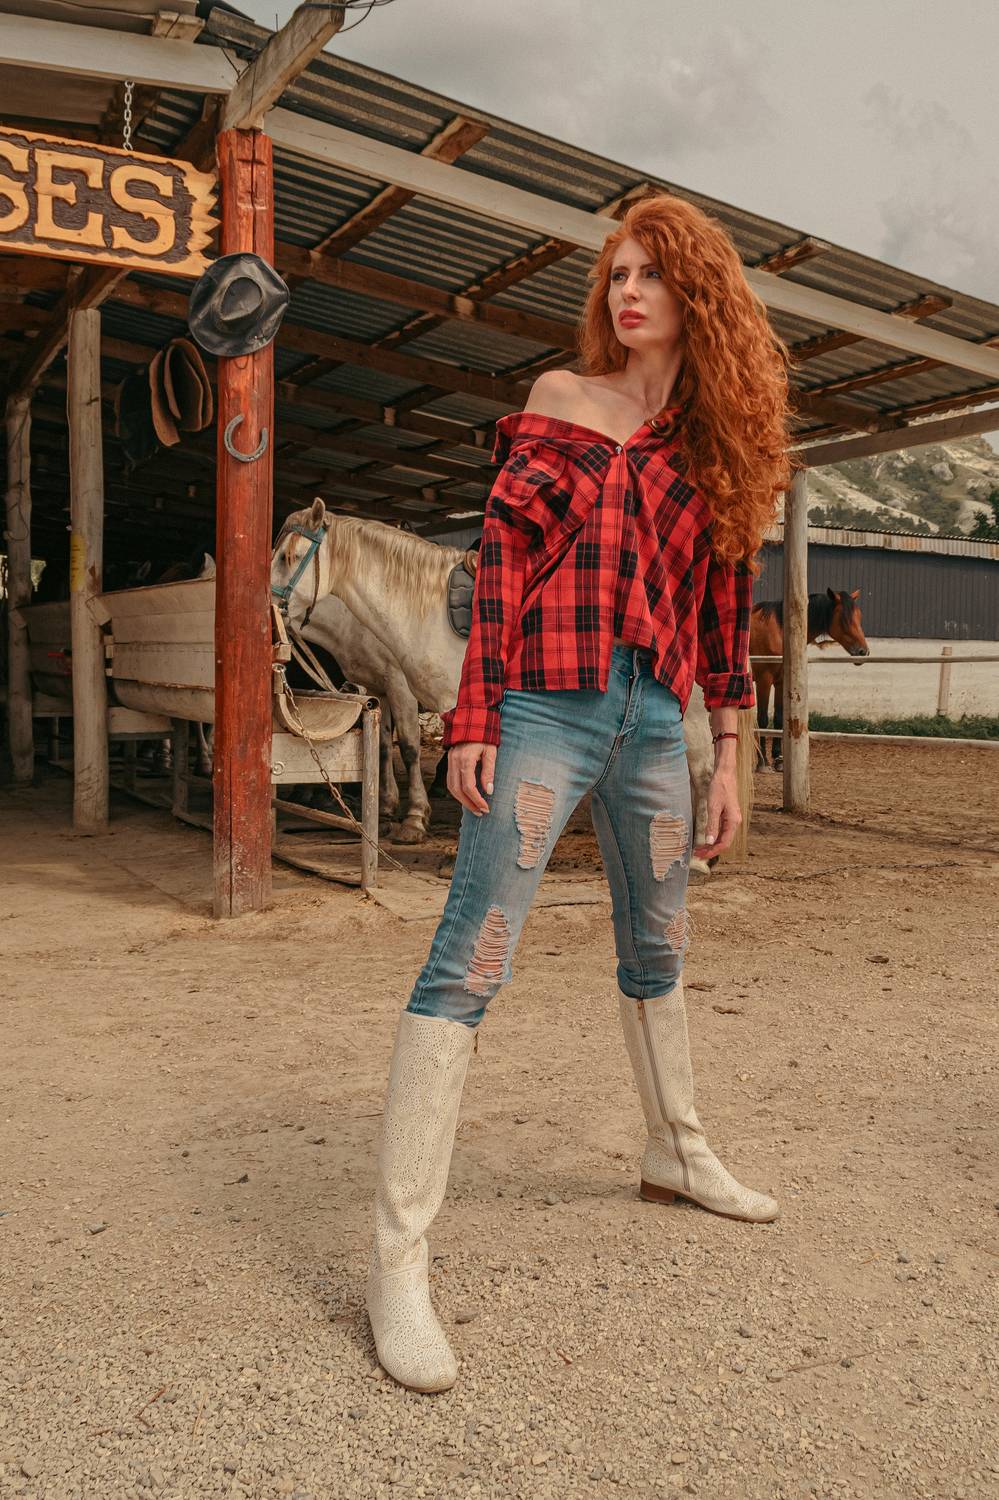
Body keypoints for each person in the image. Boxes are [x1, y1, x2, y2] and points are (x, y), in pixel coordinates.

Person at [366, 192, 793, 1394]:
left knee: (660, 942)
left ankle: (675, 1151)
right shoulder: (562, 400)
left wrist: (728, 755)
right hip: (546, 708)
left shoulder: (717, 445)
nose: (628, 293)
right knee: (472, 955)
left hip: (656, 721)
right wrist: (474, 716)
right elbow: (499, 567)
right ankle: (398, 1261)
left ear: (696, 295)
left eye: (651, 275)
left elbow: (724, 608)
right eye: (617, 275)